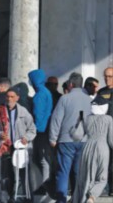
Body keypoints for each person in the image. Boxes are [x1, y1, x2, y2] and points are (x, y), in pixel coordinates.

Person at [49, 72, 92, 203]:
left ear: (71, 84)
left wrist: (53, 138)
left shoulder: (65, 99)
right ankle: (78, 199)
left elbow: (56, 119)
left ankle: (61, 200)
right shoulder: (89, 99)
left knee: (63, 172)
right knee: (79, 172)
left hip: (66, 140)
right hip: (84, 140)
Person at [0, 87, 36, 203]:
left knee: (22, 175)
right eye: (7, 96)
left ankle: (24, 198)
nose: (9, 99)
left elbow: (32, 129)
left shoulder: (24, 112)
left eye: (12, 97)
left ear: (17, 98)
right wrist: (0, 135)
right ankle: (9, 198)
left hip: (20, 149)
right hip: (6, 148)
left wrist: (26, 138)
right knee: (6, 175)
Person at [72, 96, 113, 203]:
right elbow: (111, 141)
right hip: (103, 148)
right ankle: (92, 197)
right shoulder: (109, 119)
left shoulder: (86, 117)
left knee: (86, 176)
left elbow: (77, 137)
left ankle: (84, 198)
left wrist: (78, 123)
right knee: (102, 178)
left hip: (87, 147)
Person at [28, 69, 53, 194]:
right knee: (43, 158)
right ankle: (45, 184)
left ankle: (44, 185)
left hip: (40, 131)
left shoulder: (39, 95)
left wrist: (34, 130)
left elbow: (37, 113)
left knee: (41, 159)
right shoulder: (45, 92)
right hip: (45, 129)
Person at [97, 67, 113, 196]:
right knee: (104, 160)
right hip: (103, 132)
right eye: (105, 76)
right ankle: (105, 186)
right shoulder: (101, 92)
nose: (107, 79)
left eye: (110, 76)